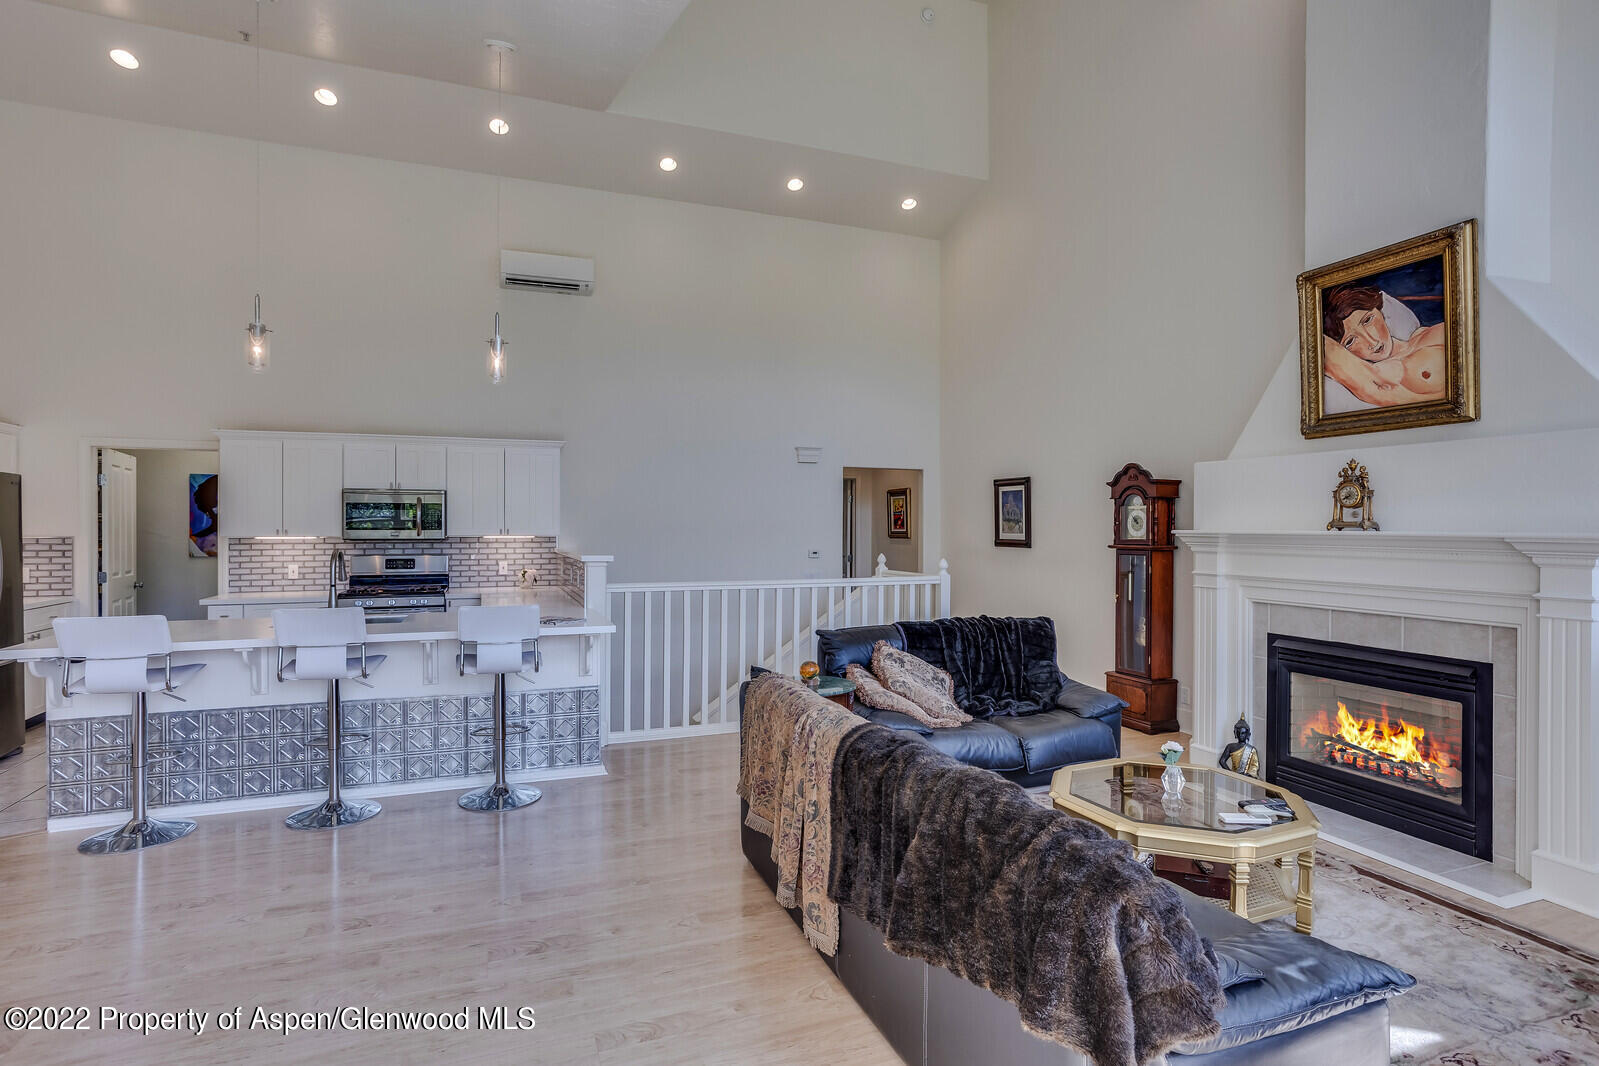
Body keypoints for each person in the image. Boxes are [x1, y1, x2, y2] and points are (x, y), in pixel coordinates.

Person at [1321, 284, 1447, 406]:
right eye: (1350, 341)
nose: (1371, 341)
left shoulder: (1433, 333)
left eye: (1368, 320)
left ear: (1380, 310)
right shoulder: (1384, 375)